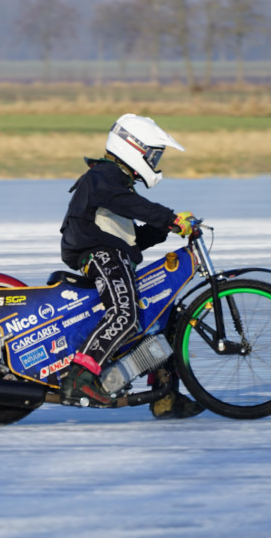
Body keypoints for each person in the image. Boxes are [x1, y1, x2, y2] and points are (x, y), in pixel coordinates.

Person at [58, 113, 204, 419]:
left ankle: (165, 395)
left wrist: (165, 228)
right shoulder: (103, 177)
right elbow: (131, 208)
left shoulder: (115, 183)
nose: (155, 160)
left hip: (112, 252)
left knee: (163, 314)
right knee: (125, 314)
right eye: (153, 154)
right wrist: (169, 218)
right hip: (100, 254)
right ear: (133, 147)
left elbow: (129, 238)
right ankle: (78, 377)